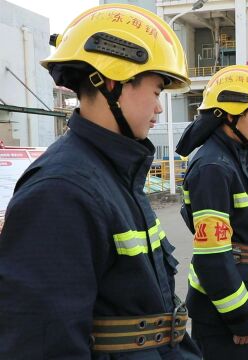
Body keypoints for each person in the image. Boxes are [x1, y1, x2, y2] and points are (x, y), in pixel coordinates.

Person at [0, 5, 201, 358]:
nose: (158, 109)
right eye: (156, 92)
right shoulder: (61, 192)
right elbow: (43, 342)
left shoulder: (113, 172)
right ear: (111, 82)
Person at [175, 65, 248, 360]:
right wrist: (240, 317)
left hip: (241, 298)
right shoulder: (213, 167)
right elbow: (212, 258)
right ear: (230, 114)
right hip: (225, 314)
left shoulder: (231, 159)